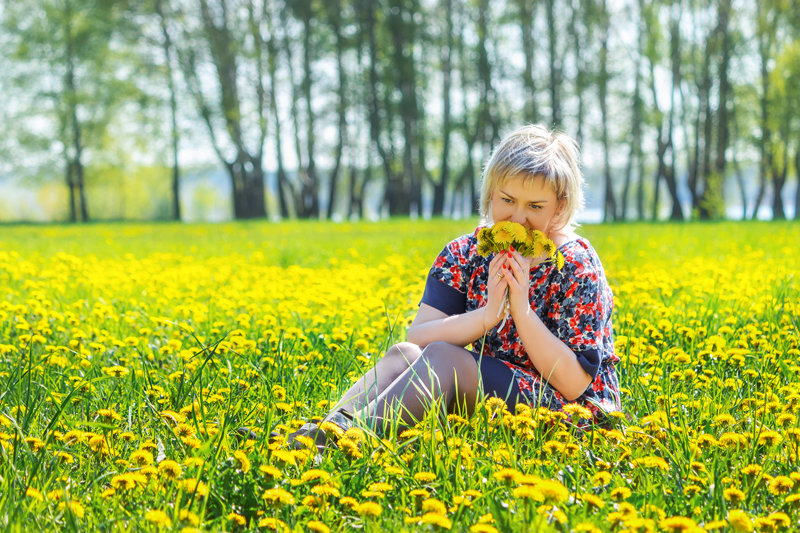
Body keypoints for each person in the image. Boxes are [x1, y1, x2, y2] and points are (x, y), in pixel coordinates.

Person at [285, 124, 621, 449]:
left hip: (573, 416)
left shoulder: (575, 264)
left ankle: (345, 444)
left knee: (445, 359)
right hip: (495, 395)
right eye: (507, 200)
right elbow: (418, 336)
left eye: (535, 207)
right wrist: (488, 316)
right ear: (490, 193)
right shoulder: (465, 253)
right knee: (404, 355)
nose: (518, 219)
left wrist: (521, 309)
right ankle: (324, 432)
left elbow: (575, 383)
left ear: (560, 207)